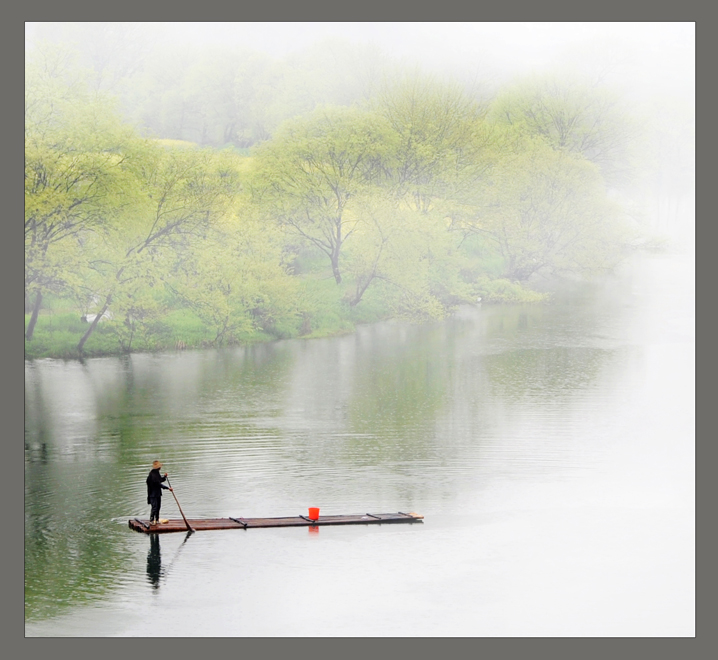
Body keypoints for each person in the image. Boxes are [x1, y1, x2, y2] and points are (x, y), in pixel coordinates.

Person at [146, 460, 173, 525]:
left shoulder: (156, 473)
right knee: (154, 507)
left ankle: (157, 519)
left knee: (158, 507)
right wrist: (168, 488)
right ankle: (152, 520)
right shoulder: (152, 475)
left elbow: (160, 480)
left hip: (157, 493)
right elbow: (158, 484)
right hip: (153, 494)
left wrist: (165, 477)